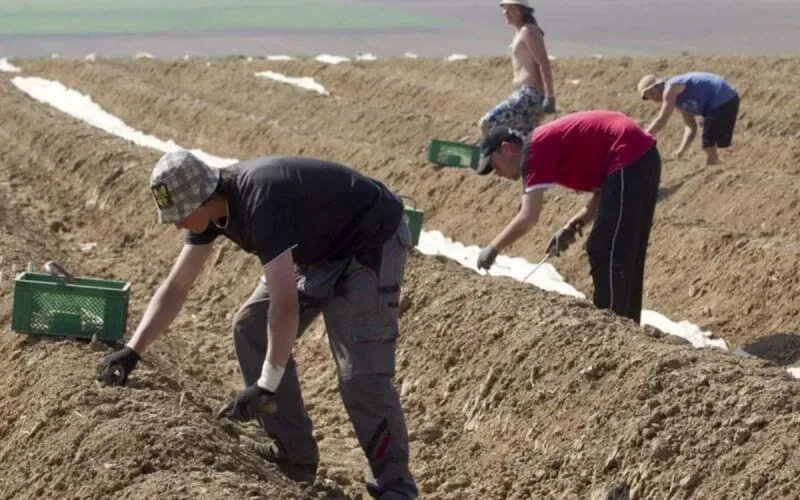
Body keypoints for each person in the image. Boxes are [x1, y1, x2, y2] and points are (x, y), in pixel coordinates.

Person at [96, 150, 419, 499]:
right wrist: (133, 351)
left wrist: (267, 383)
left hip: (370, 242)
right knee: (250, 327)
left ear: (205, 197)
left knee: (361, 378)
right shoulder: (213, 213)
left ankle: (395, 486)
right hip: (317, 249)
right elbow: (177, 286)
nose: (177, 224)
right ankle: (294, 455)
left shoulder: (261, 202)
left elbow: (284, 303)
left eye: (181, 214)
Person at [474, 110, 662, 324]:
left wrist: (493, 249)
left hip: (629, 153)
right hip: (642, 156)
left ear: (506, 148)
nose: (497, 173)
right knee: (627, 251)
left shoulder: (533, 150)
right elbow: (603, 193)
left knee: (604, 248)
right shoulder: (551, 152)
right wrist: (572, 226)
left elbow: (528, 216)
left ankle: (613, 327)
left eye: (493, 165)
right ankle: (628, 326)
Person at [478, 0, 556, 139]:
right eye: (504, 9)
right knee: (521, 141)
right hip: (524, 94)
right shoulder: (520, 32)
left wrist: (550, 97)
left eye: (510, 9)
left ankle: (488, 159)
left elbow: (543, 63)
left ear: (521, 11)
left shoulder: (529, 31)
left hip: (530, 95)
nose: (505, 12)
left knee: (487, 122)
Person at [638, 71, 740, 165]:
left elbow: (662, 119)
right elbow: (691, 127)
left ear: (659, 85)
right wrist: (681, 151)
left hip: (722, 98)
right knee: (719, 144)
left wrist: (644, 137)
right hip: (728, 100)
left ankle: (713, 168)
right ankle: (723, 167)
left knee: (708, 144)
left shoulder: (670, 89)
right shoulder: (678, 100)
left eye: (652, 93)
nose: (654, 99)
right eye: (650, 98)